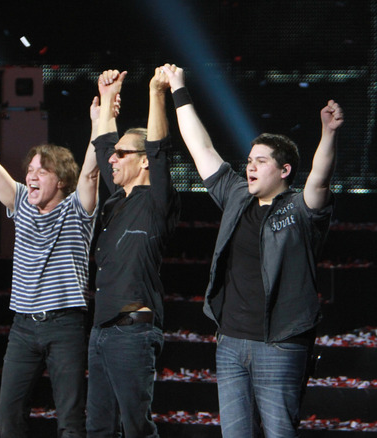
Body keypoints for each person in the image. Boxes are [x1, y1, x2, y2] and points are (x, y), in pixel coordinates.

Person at [160, 63, 344, 438]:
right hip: (231, 342)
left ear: (285, 170)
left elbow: (321, 178)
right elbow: (201, 147)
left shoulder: (300, 209)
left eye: (261, 161)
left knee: (279, 432)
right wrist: (179, 87)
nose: (250, 167)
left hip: (280, 344)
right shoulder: (236, 195)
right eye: (249, 160)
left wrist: (327, 133)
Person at [0, 80, 101, 438]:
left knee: (69, 418)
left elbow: (90, 172)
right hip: (23, 326)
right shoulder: (21, 201)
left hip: (64, 325)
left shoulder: (76, 208)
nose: (31, 176)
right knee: (8, 414)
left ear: (61, 180)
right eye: (30, 169)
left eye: (42, 170)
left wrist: (99, 123)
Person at [86, 68, 181, 438]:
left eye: (123, 154)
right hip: (100, 331)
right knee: (98, 429)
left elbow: (158, 149)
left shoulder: (157, 200)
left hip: (132, 333)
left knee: (136, 430)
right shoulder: (116, 199)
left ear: (142, 161)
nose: (113, 158)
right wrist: (108, 96)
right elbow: (102, 143)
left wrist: (157, 93)